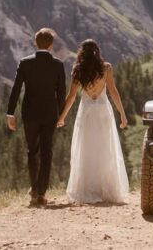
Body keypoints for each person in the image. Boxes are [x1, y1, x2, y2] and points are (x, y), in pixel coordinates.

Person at [56, 39, 130, 204]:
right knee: (105, 148)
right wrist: (123, 115)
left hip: (87, 111)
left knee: (86, 149)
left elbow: (72, 97)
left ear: (82, 52)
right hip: (103, 110)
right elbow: (113, 91)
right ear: (97, 51)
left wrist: (61, 117)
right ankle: (105, 189)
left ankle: (89, 188)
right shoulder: (106, 68)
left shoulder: (78, 69)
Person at [6, 27, 67, 206]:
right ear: (51, 45)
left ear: (35, 43)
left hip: (29, 114)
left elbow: (16, 89)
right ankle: (41, 193)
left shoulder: (25, 63)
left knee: (32, 151)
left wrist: (10, 113)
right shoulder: (58, 65)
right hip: (50, 114)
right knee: (46, 153)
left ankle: (33, 189)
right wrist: (61, 115)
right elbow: (61, 93)